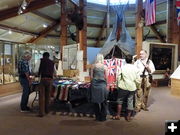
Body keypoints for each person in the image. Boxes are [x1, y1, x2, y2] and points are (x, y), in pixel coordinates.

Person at [115, 55, 141, 121]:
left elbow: (118, 77)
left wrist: (117, 85)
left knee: (120, 101)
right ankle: (128, 117)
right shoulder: (136, 69)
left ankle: (118, 115)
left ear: (125, 60)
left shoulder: (122, 67)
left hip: (123, 87)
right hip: (132, 87)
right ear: (132, 60)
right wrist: (137, 87)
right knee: (130, 101)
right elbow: (138, 80)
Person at [90, 53, 109, 122]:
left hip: (94, 85)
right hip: (102, 85)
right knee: (103, 101)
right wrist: (108, 85)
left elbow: (91, 77)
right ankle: (103, 118)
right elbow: (106, 77)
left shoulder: (93, 66)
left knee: (95, 101)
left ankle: (97, 117)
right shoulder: (105, 67)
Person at [38, 52, 54, 117]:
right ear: (48, 56)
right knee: (48, 96)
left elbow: (37, 70)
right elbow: (54, 71)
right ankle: (47, 110)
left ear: (43, 56)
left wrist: (37, 75)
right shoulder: (52, 62)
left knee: (42, 96)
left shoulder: (41, 61)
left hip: (43, 79)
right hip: (50, 79)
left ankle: (42, 113)